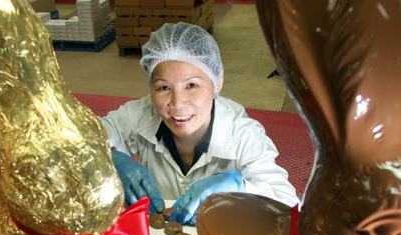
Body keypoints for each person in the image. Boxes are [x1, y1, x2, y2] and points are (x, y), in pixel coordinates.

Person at [102, 23, 299, 224]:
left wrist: (241, 189)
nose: (177, 103)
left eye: (192, 85)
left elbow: (290, 208)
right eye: (163, 87)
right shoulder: (139, 114)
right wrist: (112, 158)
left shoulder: (244, 133)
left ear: (217, 81)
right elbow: (78, 137)